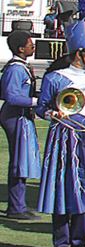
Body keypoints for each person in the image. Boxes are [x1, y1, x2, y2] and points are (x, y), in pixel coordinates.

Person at [36, 0, 85, 247]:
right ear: (79, 52)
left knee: (84, 186)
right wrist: (52, 115)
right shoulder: (55, 77)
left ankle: (80, 241)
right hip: (61, 136)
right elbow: (41, 108)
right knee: (60, 185)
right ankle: (60, 243)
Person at [3, 30, 40, 219]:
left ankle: (19, 205)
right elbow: (11, 96)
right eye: (30, 44)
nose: (32, 47)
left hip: (21, 116)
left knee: (22, 161)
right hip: (15, 117)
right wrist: (35, 101)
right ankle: (16, 208)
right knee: (19, 162)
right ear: (20, 48)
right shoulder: (15, 69)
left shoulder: (21, 66)